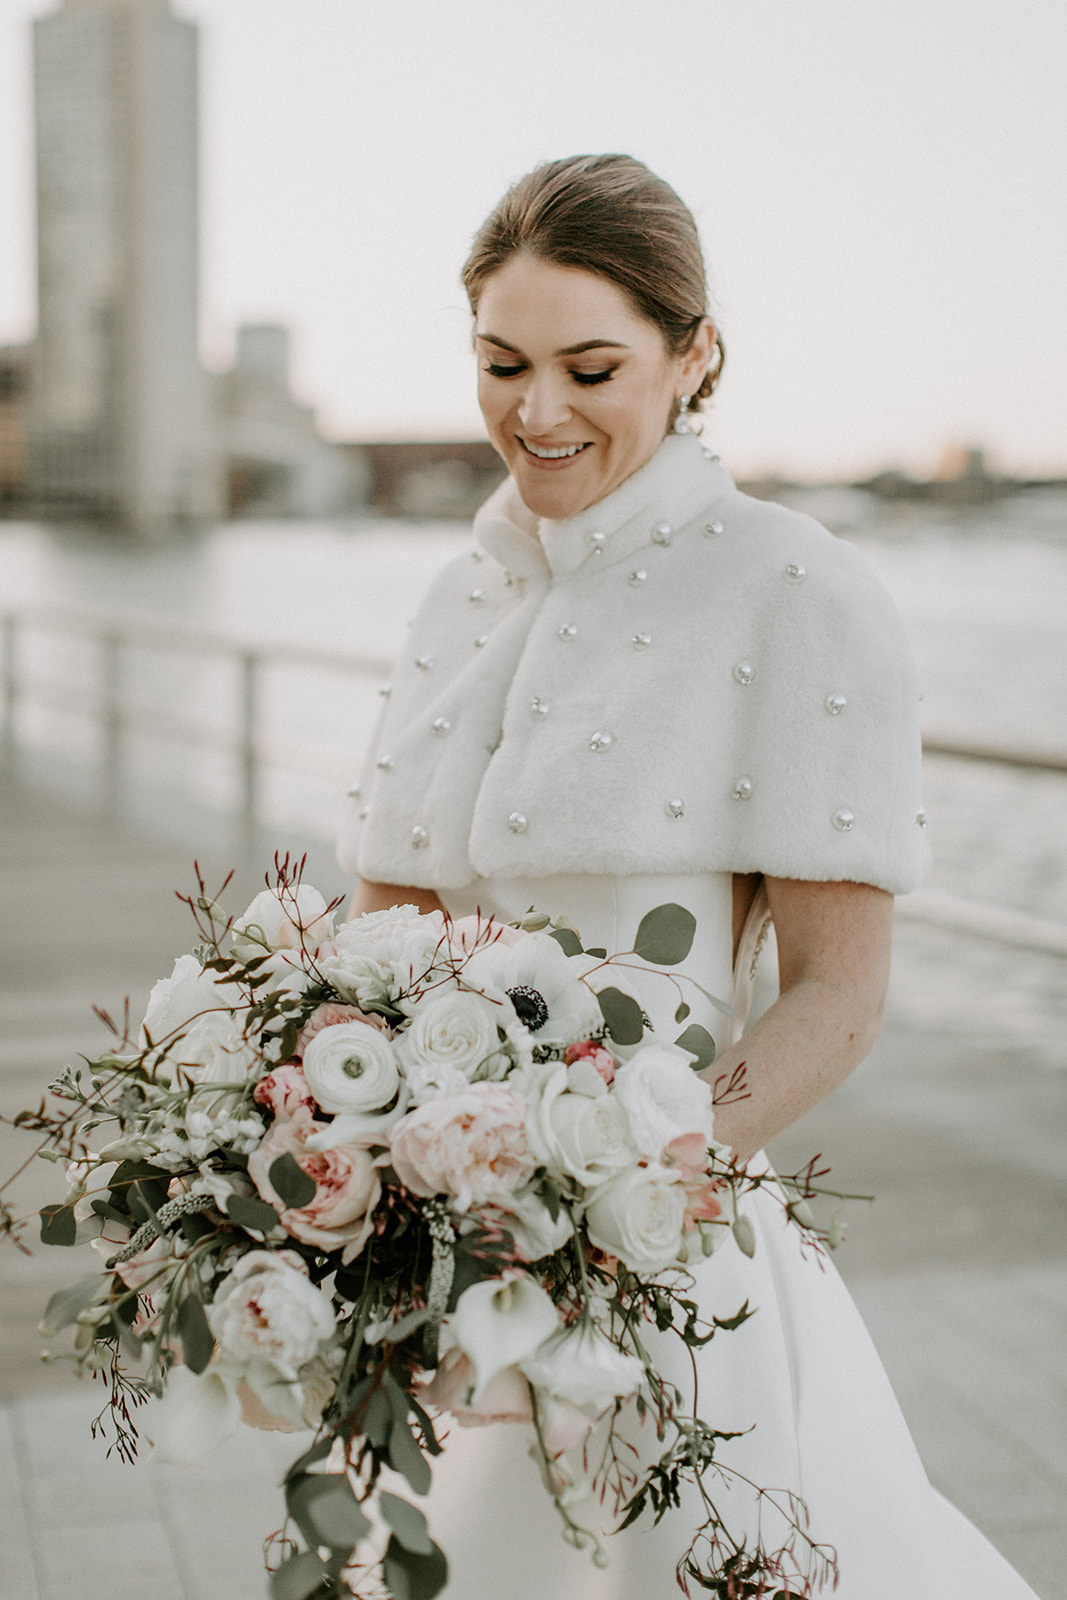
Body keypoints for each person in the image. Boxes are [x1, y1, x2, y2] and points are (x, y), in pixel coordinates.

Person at [338, 155, 1039, 1598]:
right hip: (446, 1251)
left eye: (591, 365)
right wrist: (353, 1165)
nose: (538, 412)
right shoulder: (459, 589)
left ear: (694, 353)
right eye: (501, 363)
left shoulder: (799, 587)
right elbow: (386, 929)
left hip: (669, 1244)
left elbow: (838, 995)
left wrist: (622, 1193)